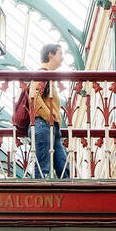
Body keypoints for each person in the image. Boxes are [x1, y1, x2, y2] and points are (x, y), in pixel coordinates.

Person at [30, 43, 71, 180]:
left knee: (65, 170)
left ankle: (71, 199)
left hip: (52, 128)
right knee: (43, 169)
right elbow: (34, 98)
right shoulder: (42, 74)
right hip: (44, 125)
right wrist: (50, 117)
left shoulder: (48, 77)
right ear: (50, 54)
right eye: (60, 53)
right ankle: (38, 198)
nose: (62, 58)